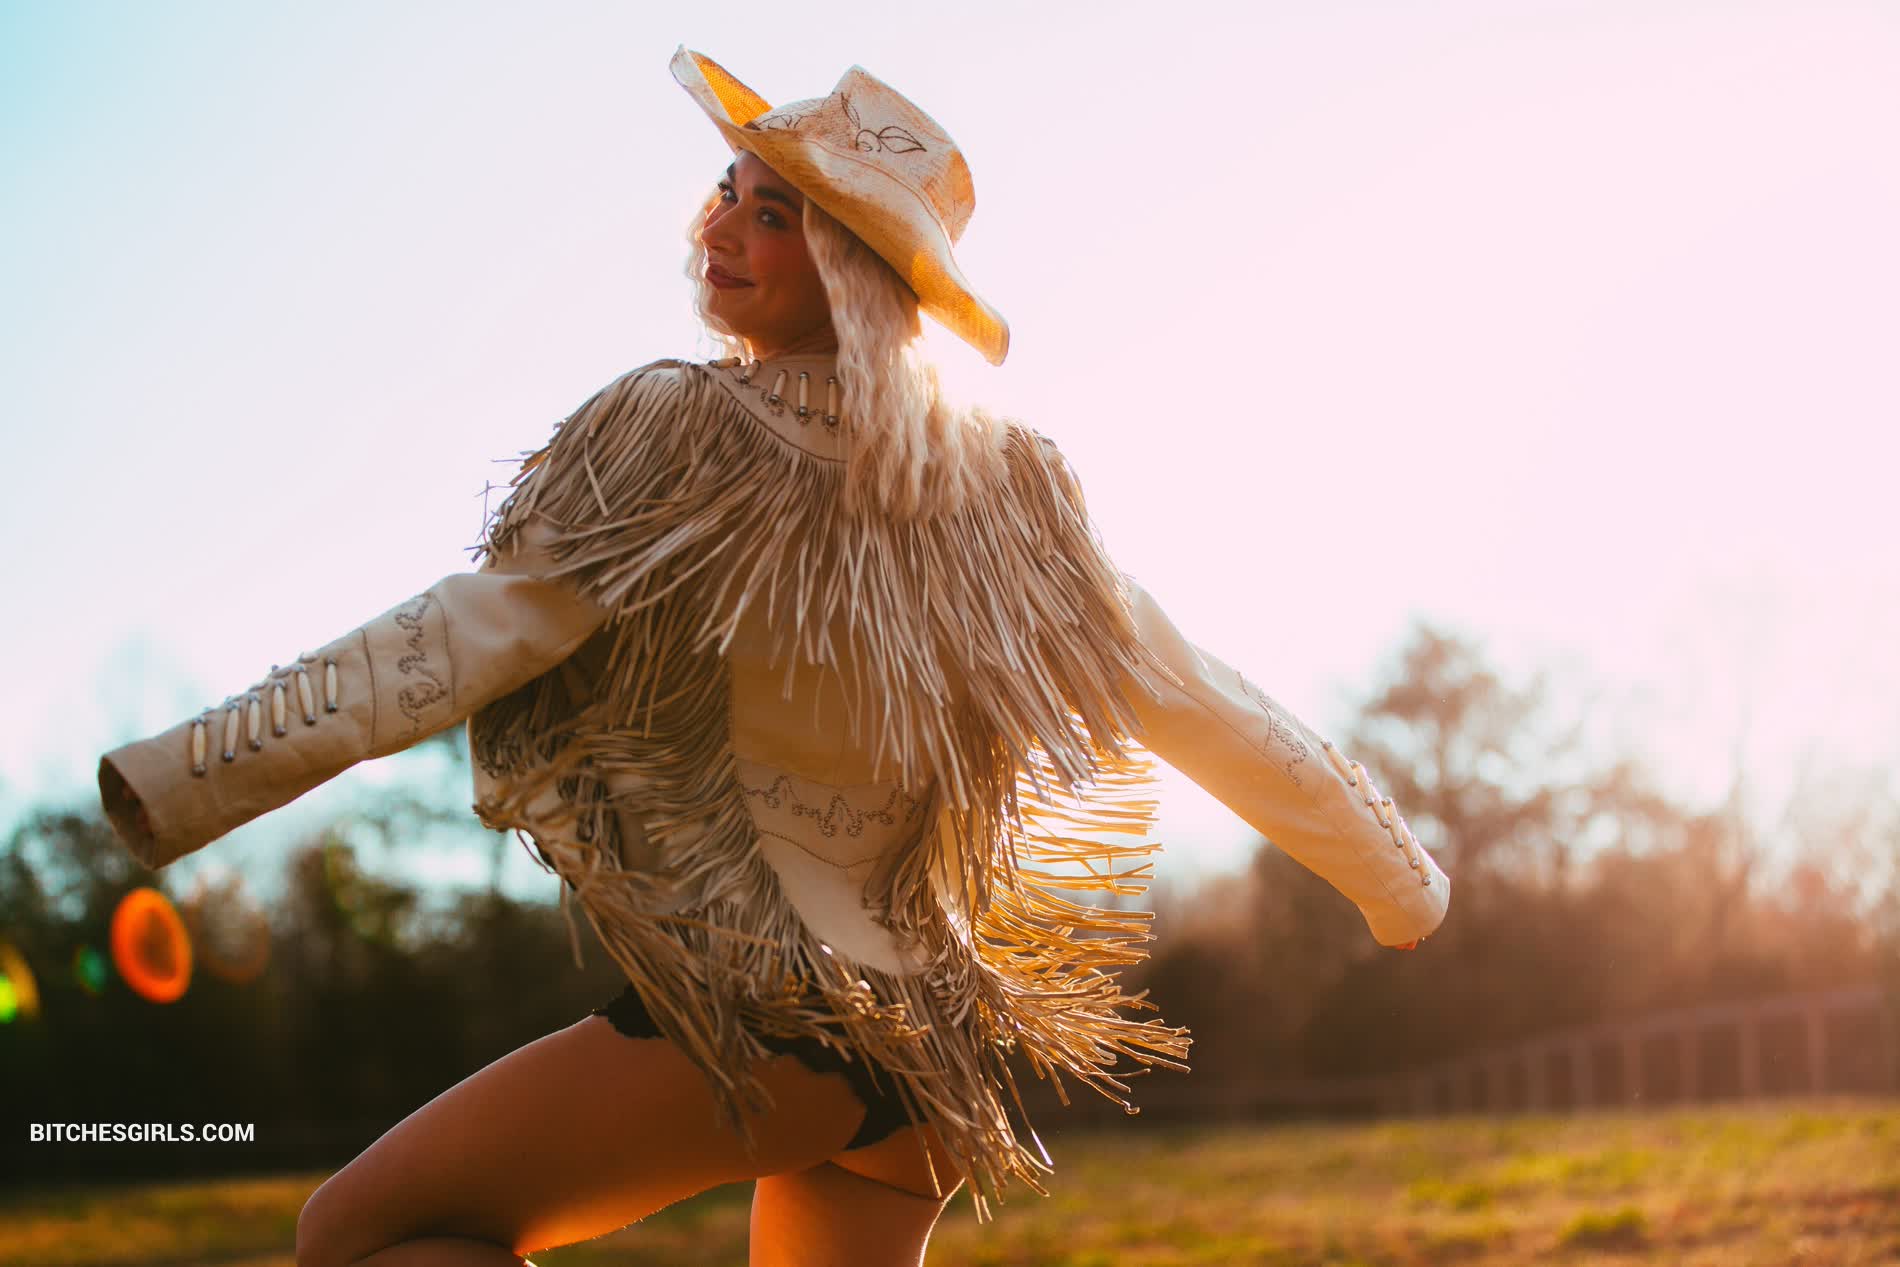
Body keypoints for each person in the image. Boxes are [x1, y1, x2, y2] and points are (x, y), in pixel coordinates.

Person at [95, 46, 1450, 1267]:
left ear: (853, 265)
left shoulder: (681, 431)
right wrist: (1400, 881)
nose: (720, 226)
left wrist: (189, 772)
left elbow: (459, 636)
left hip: (769, 1020)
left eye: (774, 213)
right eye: (728, 193)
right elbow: (1202, 700)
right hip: (928, 1050)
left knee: (352, 1233)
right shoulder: (1008, 494)